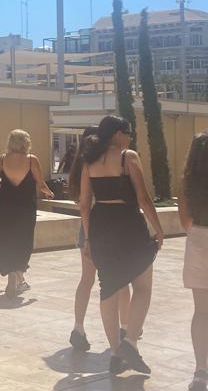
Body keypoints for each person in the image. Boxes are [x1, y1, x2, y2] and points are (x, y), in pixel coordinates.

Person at [78, 115, 165, 376]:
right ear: (117, 134)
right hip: (128, 223)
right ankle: (129, 341)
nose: (129, 136)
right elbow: (143, 197)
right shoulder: (128, 156)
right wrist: (158, 228)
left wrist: (89, 236)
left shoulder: (89, 161)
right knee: (143, 285)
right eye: (127, 132)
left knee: (109, 288)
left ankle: (116, 352)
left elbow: (84, 203)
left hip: (101, 224)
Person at [69, 126, 131, 352]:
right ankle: (125, 329)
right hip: (108, 227)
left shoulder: (79, 168)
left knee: (87, 278)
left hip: (87, 229)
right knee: (121, 280)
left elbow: (81, 202)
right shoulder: (103, 165)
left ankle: (78, 327)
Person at [0, 129, 54, 297]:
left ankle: (12, 279)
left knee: (7, 240)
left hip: (6, 207)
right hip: (25, 208)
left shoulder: (1, 159)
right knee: (23, 240)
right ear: (25, 142)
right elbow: (40, 183)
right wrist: (49, 193)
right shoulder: (31, 160)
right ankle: (17, 278)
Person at [181, 132, 208, 390]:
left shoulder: (189, 182)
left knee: (201, 311)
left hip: (199, 237)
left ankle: (201, 370)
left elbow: (184, 219)